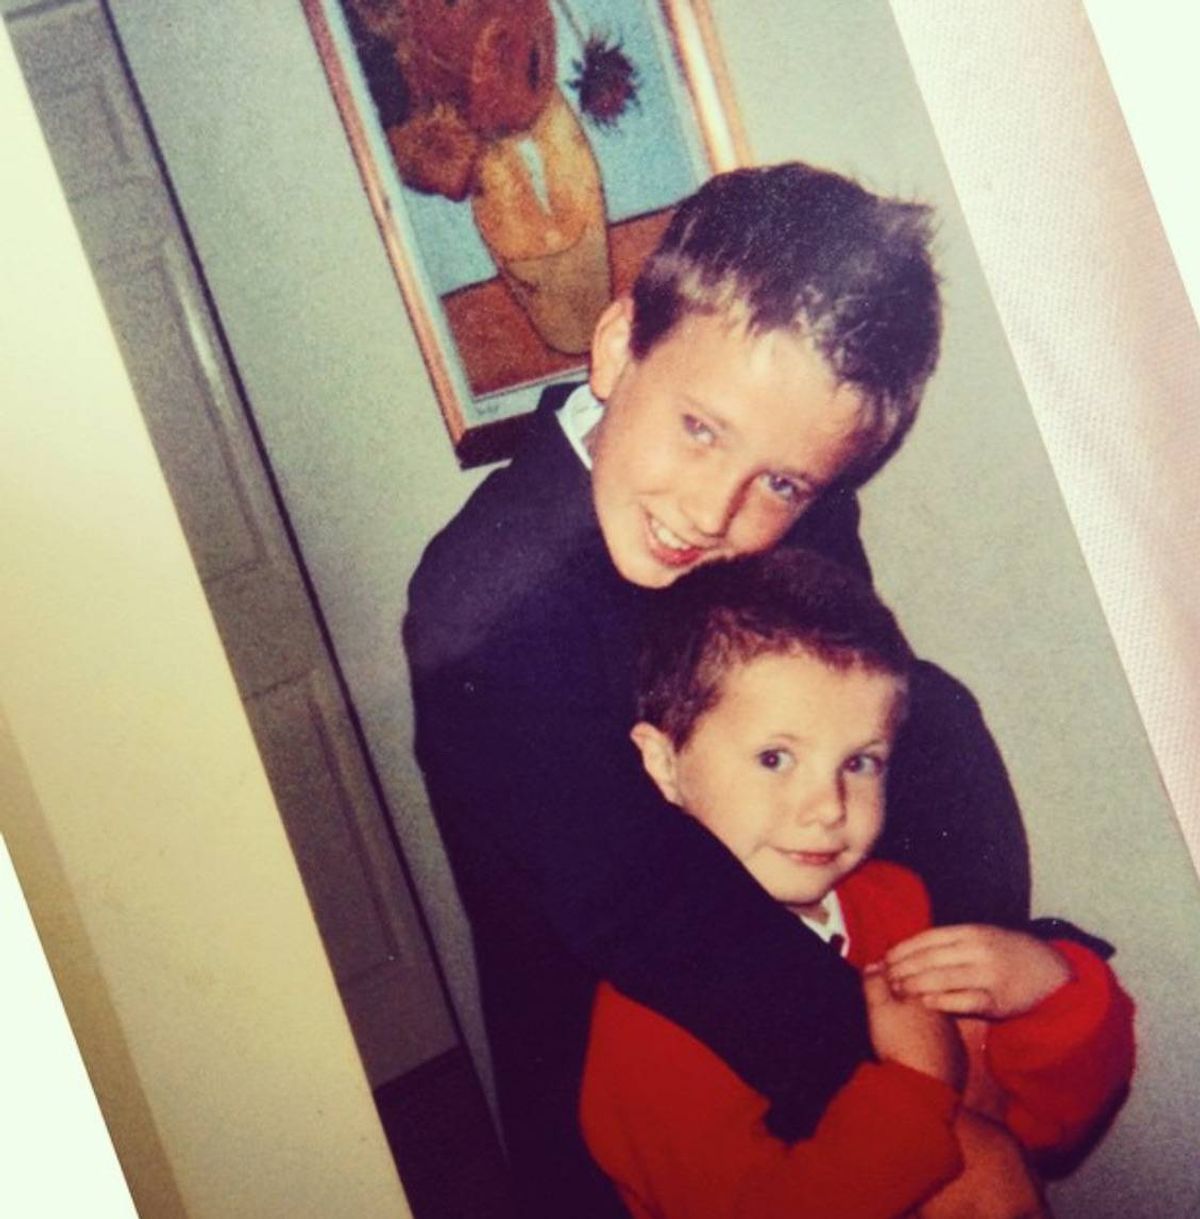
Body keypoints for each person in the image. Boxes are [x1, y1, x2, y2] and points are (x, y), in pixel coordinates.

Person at [404, 162, 1033, 1216]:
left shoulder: (794, 516)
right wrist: (913, 1092)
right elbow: (649, 910)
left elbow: (891, 718)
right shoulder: (484, 606)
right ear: (617, 349)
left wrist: (957, 987)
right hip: (642, 1106)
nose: (713, 509)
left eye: (781, 484)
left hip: (833, 979)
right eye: (701, 427)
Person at [580, 549, 1135, 1219]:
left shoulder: (901, 907)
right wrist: (914, 1091)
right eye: (775, 758)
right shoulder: (649, 1008)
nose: (828, 806)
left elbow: (1043, 1130)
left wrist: (1048, 992)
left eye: (861, 761)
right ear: (665, 762)